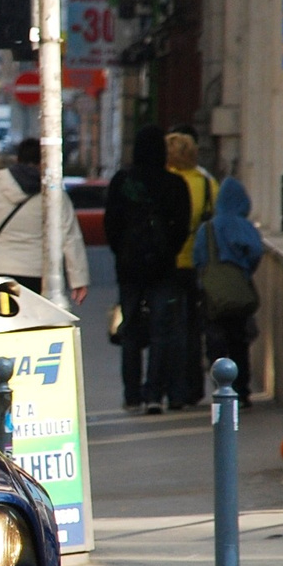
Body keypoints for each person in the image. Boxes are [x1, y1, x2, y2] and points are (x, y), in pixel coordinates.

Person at [104, 126, 191, 414]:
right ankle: (155, 393)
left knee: (129, 329)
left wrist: (124, 253)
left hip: (129, 269)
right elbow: (182, 226)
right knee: (160, 332)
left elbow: (111, 225)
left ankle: (132, 393)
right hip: (163, 268)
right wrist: (165, 253)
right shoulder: (175, 184)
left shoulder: (122, 181)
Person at [0, 137, 90, 305]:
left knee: (5, 325)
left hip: (0, 271)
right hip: (39, 274)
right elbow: (70, 236)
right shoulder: (53, 191)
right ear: (44, 162)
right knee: (35, 327)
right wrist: (78, 279)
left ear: (18, 160)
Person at [193, 176, 263, 408]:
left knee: (215, 340)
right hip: (238, 293)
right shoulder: (244, 227)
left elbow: (198, 258)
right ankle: (242, 390)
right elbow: (255, 252)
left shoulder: (208, 228)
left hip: (213, 295)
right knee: (239, 342)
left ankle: (221, 388)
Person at [166, 128, 220, 406]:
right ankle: (193, 387)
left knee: (170, 328)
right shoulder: (206, 183)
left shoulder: (167, 182)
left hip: (170, 263)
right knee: (194, 329)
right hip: (200, 264)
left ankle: (172, 386)